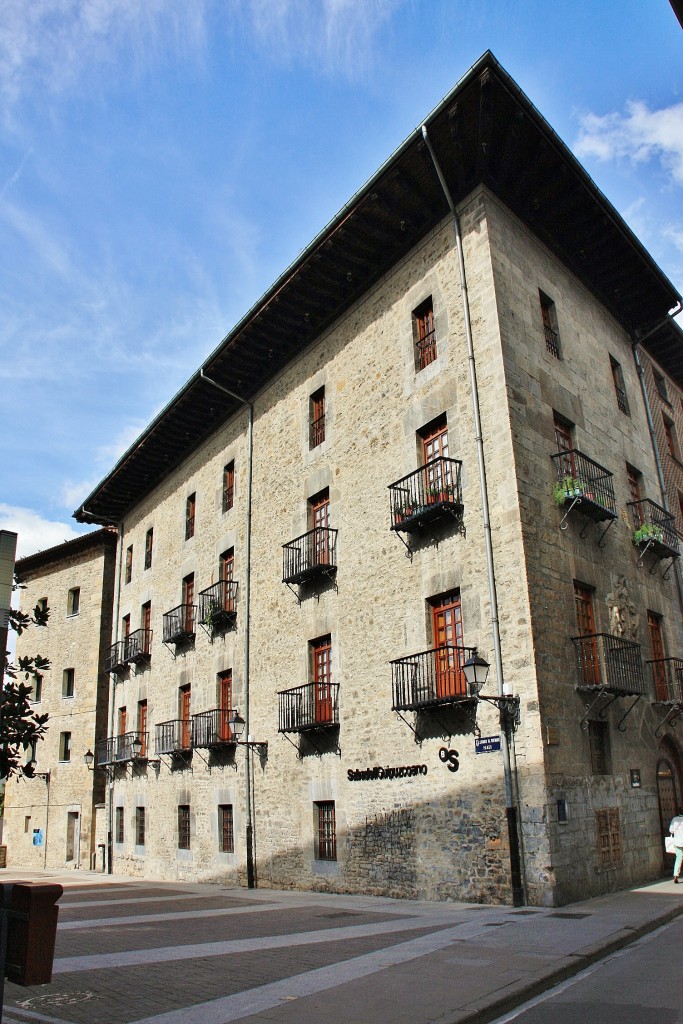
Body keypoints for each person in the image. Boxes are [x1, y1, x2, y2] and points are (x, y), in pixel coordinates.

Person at [669, 808, 683, 883]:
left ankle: (676, 875)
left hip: (677, 842)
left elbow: (671, 830)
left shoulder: (675, 819)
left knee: (679, 858)